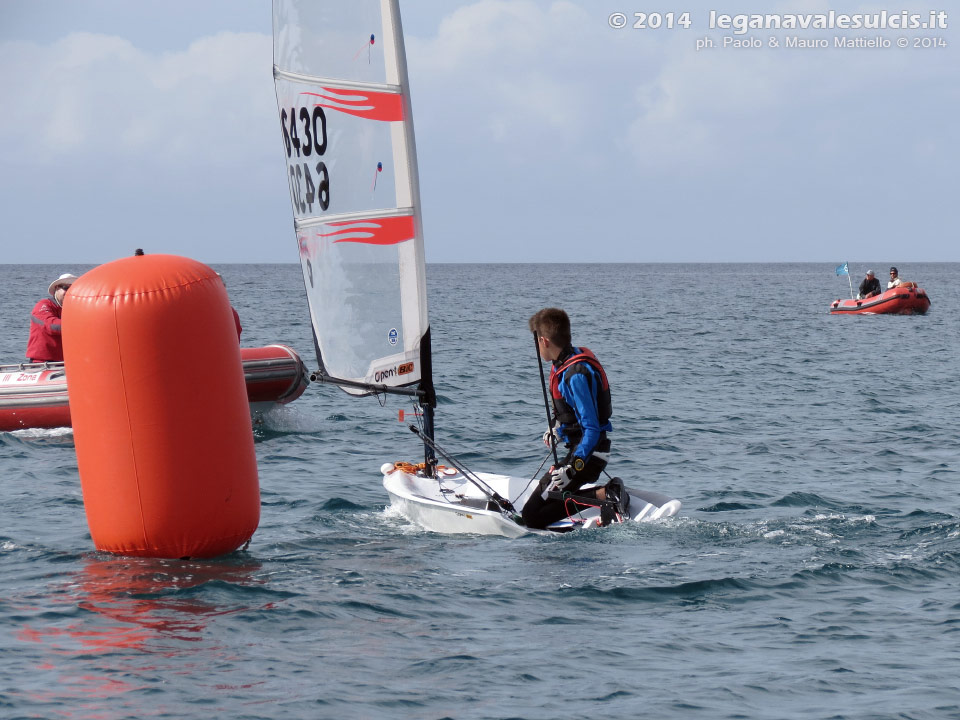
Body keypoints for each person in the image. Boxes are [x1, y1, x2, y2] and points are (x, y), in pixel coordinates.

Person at [521, 307, 627, 529]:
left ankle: (606, 493)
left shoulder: (575, 375)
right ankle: (593, 495)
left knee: (530, 516)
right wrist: (556, 430)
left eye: (536, 342)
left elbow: (592, 428)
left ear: (544, 341)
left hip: (589, 455)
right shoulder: (564, 362)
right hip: (580, 451)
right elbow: (571, 416)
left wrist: (571, 469)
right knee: (539, 503)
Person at [26, 273, 77, 362]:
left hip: (66, 363)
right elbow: (50, 325)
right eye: (66, 288)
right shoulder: (43, 305)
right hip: (41, 364)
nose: (69, 292)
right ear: (57, 288)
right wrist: (81, 326)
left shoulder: (75, 309)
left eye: (73, 289)